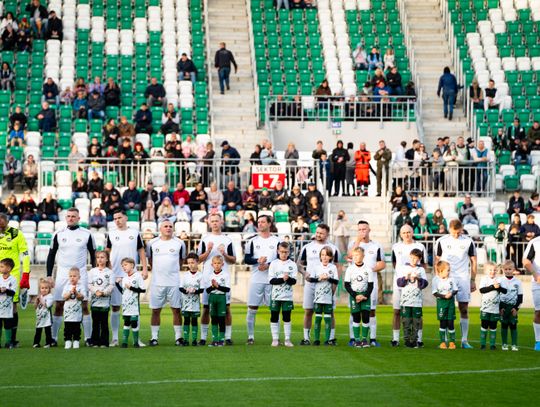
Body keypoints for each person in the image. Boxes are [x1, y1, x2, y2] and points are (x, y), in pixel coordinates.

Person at [46, 208, 96, 346]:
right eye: (68, 216)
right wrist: (49, 275)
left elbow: (93, 255)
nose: (70, 218)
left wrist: (94, 273)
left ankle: (88, 338)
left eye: (73, 216)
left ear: (79, 218)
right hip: (62, 274)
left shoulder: (87, 234)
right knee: (59, 305)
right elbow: (51, 255)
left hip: (81, 274)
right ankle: (53, 338)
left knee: (84, 305)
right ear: (65, 218)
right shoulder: (58, 234)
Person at [434, 219, 477, 349]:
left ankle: (464, 340)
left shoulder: (468, 241)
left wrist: (473, 279)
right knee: (446, 309)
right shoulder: (441, 241)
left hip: (463, 278)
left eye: (458, 232)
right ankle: (446, 340)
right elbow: (437, 261)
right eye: (454, 232)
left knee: (464, 309)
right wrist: (438, 278)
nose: (456, 235)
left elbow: (474, 261)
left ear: (462, 229)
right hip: (446, 278)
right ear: (449, 229)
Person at [196, 213, 236, 345]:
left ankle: (227, 337)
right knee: (206, 308)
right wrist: (208, 251)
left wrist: (224, 253)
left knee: (227, 308)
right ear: (209, 222)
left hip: (223, 280)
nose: (214, 223)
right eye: (212, 221)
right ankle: (203, 338)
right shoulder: (205, 239)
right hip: (207, 279)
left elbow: (233, 260)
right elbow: (198, 260)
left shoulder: (227, 240)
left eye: (216, 221)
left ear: (221, 222)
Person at [298, 224, 340, 345]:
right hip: (311, 284)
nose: (318, 235)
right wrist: (304, 273)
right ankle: (306, 338)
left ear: (327, 234)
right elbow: (299, 264)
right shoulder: (307, 247)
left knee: (330, 312)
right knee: (308, 310)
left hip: (327, 286)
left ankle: (331, 338)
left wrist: (334, 285)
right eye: (317, 232)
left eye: (321, 233)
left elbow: (338, 266)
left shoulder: (333, 248)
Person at [146, 219, 186, 346]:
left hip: (174, 282)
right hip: (157, 283)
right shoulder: (152, 243)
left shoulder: (180, 243)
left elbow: (181, 260)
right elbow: (150, 260)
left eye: (170, 226)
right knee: (155, 311)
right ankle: (154, 338)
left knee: (176, 310)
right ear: (160, 229)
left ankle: (178, 338)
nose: (168, 228)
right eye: (165, 226)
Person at [346, 221, 385, 347]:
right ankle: (353, 338)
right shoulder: (353, 243)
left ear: (369, 230)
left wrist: (369, 270)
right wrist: (358, 240)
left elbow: (382, 263)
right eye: (360, 229)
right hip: (355, 285)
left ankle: (372, 338)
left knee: (371, 310)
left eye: (364, 229)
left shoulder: (376, 245)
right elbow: (349, 256)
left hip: (370, 283)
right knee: (354, 311)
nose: (362, 231)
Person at [243, 215, 281, 345]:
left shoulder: (277, 241)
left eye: (263, 222)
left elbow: (282, 258)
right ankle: (250, 337)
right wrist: (257, 261)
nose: (260, 224)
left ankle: (275, 338)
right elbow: (247, 259)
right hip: (256, 279)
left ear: (269, 224)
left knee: (274, 309)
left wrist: (269, 265)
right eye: (258, 222)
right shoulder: (252, 241)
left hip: (272, 280)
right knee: (252, 308)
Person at [391, 224, 427, 347]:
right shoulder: (396, 246)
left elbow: (424, 264)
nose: (406, 234)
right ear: (400, 234)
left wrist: (418, 277)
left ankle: (419, 339)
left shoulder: (420, 246)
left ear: (412, 232)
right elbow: (394, 262)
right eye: (404, 232)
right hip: (400, 282)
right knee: (397, 311)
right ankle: (395, 339)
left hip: (415, 285)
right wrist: (401, 275)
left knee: (418, 313)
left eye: (409, 232)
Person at [0, 213, 31, 347]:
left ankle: (12, 340)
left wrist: (26, 273)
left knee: (12, 306)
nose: (0, 228)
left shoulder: (16, 234)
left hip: (12, 276)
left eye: (2, 225)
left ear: (7, 222)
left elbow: (25, 254)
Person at [306, 246, 339, 346]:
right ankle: (316, 339)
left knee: (328, 319)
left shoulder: (333, 268)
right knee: (318, 318)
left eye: (327, 255)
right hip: (318, 298)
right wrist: (319, 278)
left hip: (328, 298)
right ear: (320, 256)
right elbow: (311, 279)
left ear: (330, 257)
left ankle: (327, 340)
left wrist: (328, 278)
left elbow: (336, 281)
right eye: (323, 255)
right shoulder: (316, 267)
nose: (324, 257)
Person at [396, 249, 428, 348]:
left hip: (417, 301)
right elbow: (399, 283)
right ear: (409, 257)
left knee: (416, 322)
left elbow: (425, 284)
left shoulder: (421, 270)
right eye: (412, 258)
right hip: (405, 301)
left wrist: (418, 278)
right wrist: (406, 278)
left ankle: (414, 341)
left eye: (416, 258)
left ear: (420, 259)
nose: (414, 260)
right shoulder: (403, 268)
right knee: (406, 322)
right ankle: (407, 341)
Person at [268, 242, 297, 347]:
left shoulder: (292, 264)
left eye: (286, 252)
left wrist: (288, 279)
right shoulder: (273, 264)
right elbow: (271, 280)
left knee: (287, 317)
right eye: (282, 252)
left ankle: (287, 339)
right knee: (274, 316)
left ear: (289, 252)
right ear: (278, 251)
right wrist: (282, 279)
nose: (284, 254)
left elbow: (294, 281)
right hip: (275, 296)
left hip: (287, 297)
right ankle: (275, 339)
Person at [344, 247, 374, 348]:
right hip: (354, 296)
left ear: (363, 256)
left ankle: (364, 340)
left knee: (365, 317)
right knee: (356, 317)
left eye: (358, 255)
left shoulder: (368, 269)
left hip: (365, 296)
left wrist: (365, 296)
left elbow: (371, 285)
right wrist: (355, 295)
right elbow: (347, 285)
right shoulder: (350, 269)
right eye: (354, 255)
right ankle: (357, 340)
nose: (356, 257)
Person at [115, 257, 146, 348]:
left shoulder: (138, 276)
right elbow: (123, 292)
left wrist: (131, 288)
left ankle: (136, 342)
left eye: (125, 265)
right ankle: (124, 342)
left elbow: (143, 290)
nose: (123, 267)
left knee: (134, 323)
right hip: (125, 305)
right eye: (122, 266)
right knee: (126, 323)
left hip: (134, 305)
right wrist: (117, 284)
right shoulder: (124, 278)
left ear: (132, 265)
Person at [87, 251, 114, 348]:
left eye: (102, 257)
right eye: (98, 257)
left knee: (104, 323)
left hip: (105, 302)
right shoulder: (92, 271)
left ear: (107, 259)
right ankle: (95, 342)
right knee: (95, 323)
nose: (100, 259)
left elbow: (111, 285)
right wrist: (96, 291)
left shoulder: (110, 272)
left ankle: (104, 342)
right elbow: (89, 284)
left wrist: (104, 292)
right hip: (95, 302)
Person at [478, 262, 507, 350]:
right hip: (485, 308)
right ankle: (483, 344)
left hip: (495, 309)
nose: (492, 272)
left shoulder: (500, 280)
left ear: (497, 271)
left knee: (493, 326)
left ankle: (492, 345)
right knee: (484, 326)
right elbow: (482, 290)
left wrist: (499, 287)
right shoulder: (484, 279)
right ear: (486, 271)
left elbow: (505, 291)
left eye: (494, 270)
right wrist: (492, 287)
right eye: (490, 270)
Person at [204, 255, 230, 346]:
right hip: (212, 298)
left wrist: (218, 286)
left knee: (221, 319)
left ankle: (221, 340)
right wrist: (213, 286)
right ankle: (214, 340)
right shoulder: (210, 276)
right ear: (212, 265)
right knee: (214, 319)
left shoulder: (225, 275)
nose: (217, 265)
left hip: (221, 298)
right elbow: (207, 290)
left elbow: (227, 289)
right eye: (215, 263)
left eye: (219, 263)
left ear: (222, 264)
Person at [432, 260, 458, 349]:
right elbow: (434, 293)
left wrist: (451, 294)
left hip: (450, 303)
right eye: (447, 270)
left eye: (449, 270)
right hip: (441, 304)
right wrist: (443, 296)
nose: (449, 272)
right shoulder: (435, 280)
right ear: (441, 271)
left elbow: (455, 290)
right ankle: (442, 343)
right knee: (443, 323)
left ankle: (452, 343)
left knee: (450, 322)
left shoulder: (452, 279)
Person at [179, 253, 204, 346]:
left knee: (194, 321)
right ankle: (185, 340)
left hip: (195, 303)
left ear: (197, 262)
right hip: (185, 303)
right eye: (189, 263)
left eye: (192, 262)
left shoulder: (200, 275)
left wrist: (195, 291)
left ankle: (194, 340)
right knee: (186, 320)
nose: (190, 265)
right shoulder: (185, 275)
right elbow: (180, 288)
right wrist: (186, 291)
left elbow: (202, 289)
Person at [499, 260, 523, 351]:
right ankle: (504, 344)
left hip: (513, 307)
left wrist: (516, 308)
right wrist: (500, 308)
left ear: (514, 269)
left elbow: (520, 297)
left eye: (510, 269)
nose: (508, 271)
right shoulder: (500, 280)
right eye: (506, 269)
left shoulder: (518, 282)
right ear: (503, 269)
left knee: (513, 325)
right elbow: (497, 295)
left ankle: (514, 345)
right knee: (504, 325)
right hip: (503, 307)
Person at [522, 233, 540, 351]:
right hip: (538, 282)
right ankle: (538, 341)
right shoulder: (535, 242)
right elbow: (525, 260)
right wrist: (535, 274)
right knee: (539, 312)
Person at [62, 267, 86, 349]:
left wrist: (76, 292)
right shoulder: (66, 286)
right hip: (68, 312)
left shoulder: (81, 286)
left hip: (77, 312)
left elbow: (81, 297)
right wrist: (70, 292)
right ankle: (68, 341)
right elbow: (64, 297)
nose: (72, 278)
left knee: (76, 327)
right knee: (67, 327)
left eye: (74, 276)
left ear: (79, 277)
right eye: (71, 276)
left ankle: (76, 341)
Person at [0, 258, 17, 348]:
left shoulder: (13, 279)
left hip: (7, 309)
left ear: (9, 268)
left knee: (7, 326)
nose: (0, 268)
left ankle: (8, 342)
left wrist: (6, 290)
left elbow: (13, 292)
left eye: (2, 266)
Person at [33, 278, 54, 348]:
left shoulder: (50, 296)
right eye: (42, 288)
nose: (44, 290)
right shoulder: (40, 296)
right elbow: (35, 307)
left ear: (49, 289)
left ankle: (48, 343)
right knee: (38, 330)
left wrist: (41, 300)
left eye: (46, 288)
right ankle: (36, 343)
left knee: (47, 330)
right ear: (40, 289)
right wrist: (36, 301)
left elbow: (47, 305)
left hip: (47, 317)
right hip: (39, 317)